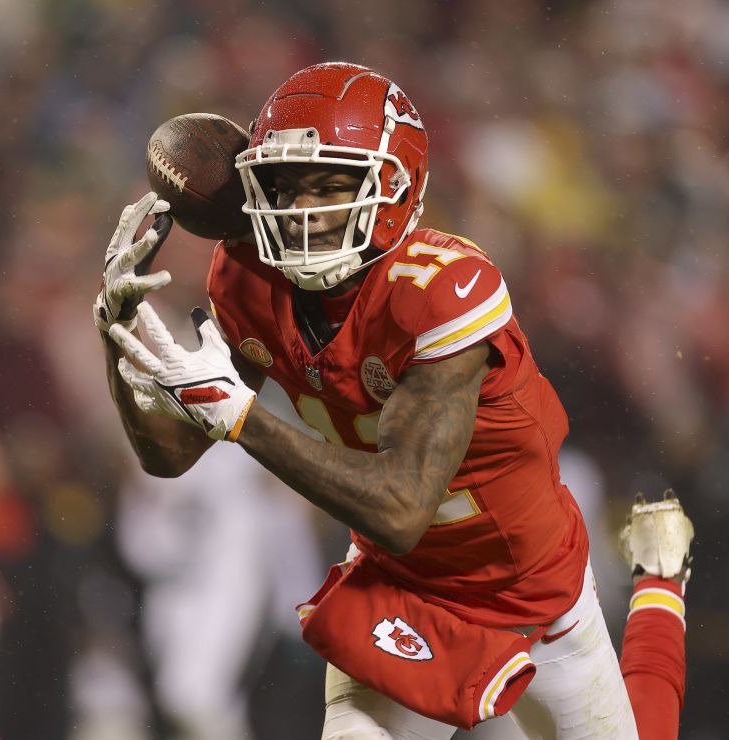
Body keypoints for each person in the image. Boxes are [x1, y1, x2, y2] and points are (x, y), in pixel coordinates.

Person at [94, 62, 686, 738]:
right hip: (399, 587)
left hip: (530, 592)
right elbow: (167, 457)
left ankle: (660, 583)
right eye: (288, 186)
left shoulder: (441, 289)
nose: (307, 210)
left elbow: (403, 504)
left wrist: (242, 420)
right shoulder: (244, 280)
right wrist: (118, 339)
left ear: (394, 188)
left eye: (332, 185)